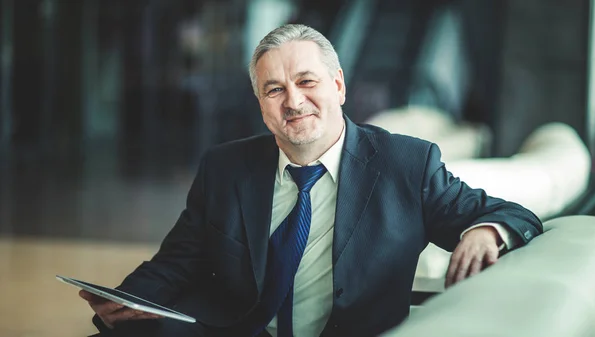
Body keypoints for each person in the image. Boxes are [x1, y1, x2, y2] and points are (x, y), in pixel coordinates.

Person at [80, 24, 542, 337]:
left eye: (308, 82)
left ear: (338, 86)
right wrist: (125, 300)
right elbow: (176, 262)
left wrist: (486, 229)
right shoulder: (225, 168)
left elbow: (513, 215)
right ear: (261, 103)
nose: (294, 101)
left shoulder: (407, 164)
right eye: (275, 89)